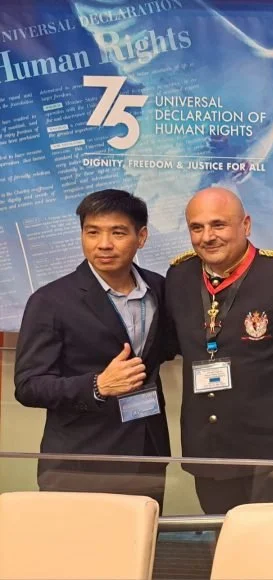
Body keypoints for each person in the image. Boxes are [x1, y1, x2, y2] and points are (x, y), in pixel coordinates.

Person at [15, 189, 170, 504]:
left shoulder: (160, 288)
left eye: (118, 232)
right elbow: (28, 386)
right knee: (78, 551)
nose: (104, 244)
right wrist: (98, 385)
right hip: (80, 460)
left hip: (147, 452)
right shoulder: (51, 301)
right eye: (92, 232)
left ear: (141, 237)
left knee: (140, 548)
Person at [164, 187, 273, 515]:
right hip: (211, 447)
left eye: (219, 225)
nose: (207, 237)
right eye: (196, 227)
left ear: (246, 225)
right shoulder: (179, 277)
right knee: (226, 545)